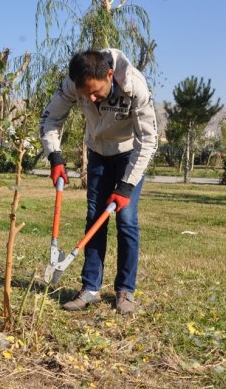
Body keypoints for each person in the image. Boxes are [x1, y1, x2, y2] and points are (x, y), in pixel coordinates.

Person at [40, 49, 158, 315]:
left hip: (129, 154)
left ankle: (125, 291)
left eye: (96, 92)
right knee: (95, 218)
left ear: (109, 75)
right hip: (97, 152)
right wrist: (55, 157)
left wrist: (126, 186)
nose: (90, 99)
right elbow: (51, 118)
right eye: (85, 95)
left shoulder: (134, 86)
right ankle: (90, 288)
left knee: (126, 219)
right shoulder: (74, 82)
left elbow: (148, 140)